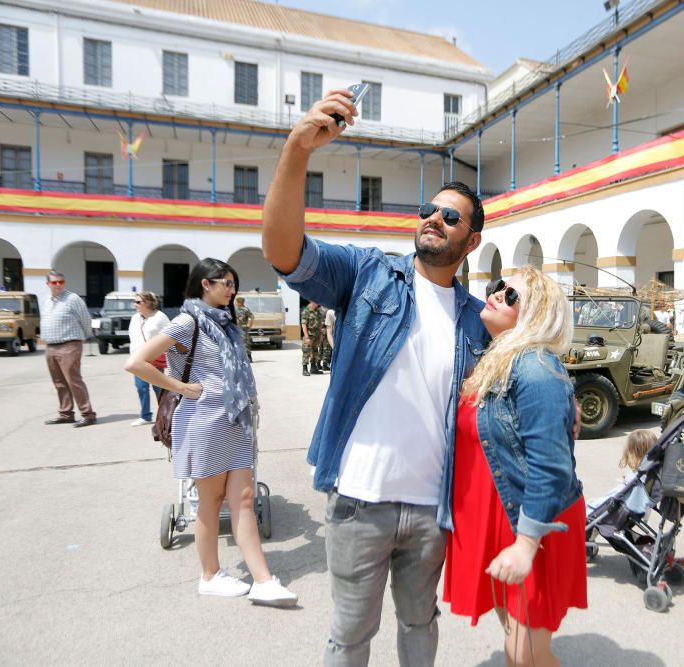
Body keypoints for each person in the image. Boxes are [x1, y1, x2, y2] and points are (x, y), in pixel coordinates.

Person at [261, 87, 487, 666]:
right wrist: (296, 151)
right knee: (350, 634)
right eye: (427, 211)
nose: (433, 219)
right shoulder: (370, 275)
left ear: (473, 239)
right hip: (360, 498)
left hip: (432, 507)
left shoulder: (475, 319)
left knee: (420, 625)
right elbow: (285, 253)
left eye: (450, 215)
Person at [124, 258, 297, 608]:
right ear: (205, 284)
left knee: (244, 500)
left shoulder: (226, 322)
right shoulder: (187, 321)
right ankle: (210, 576)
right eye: (226, 283)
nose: (232, 290)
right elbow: (137, 362)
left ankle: (263, 581)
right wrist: (181, 387)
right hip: (204, 420)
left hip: (235, 419)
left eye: (234, 284)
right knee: (211, 503)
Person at [444, 268, 586, 667]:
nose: (497, 296)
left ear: (534, 315)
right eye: (498, 289)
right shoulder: (497, 359)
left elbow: (551, 466)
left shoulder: (535, 369)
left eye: (512, 296)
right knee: (519, 646)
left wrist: (526, 544)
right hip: (502, 518)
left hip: (532, 524)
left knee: (525, 657)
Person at [41, 270, 97, 427]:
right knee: (58, 382)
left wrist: (84, 337)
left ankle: (88, 414)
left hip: (69, 344)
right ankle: (66, 413)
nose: (58, 285)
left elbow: (85, 319)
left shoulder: (73, 299)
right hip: (51, 345)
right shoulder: (47, 300)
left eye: (61, 282)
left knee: (73, 380)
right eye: (54, 282)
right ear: (48, 284)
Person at [128, 291, 170, 427]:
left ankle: (165, 414)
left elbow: (170, 336)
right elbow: (132, 338)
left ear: (148, 303)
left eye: (138, 302)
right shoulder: (135, 318)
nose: (135, 304)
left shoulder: (160, 317)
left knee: (158, 388)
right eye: (135, 302)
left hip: (154, 358)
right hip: (137, 358)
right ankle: (145, 416)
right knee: (141, 387)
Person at [300, 301, 324, 375]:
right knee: (306, 352)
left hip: (316, 336)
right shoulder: (306, 311)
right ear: (311, 301)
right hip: (309, 336)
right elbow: (304, 325)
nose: (317, 303)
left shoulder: (318, 311)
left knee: (315, 352)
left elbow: (320, 323)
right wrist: (307, 337)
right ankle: (304, 369)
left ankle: (313, 368)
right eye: (316, 301)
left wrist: (321, 335)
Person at [235, 296, 254, 361]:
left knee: (246, 343)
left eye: (237, 302)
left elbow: (252, 317)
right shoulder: (236, 309)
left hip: (243, 328)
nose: (236, 303)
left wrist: (249, 326)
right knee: (238, 343)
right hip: (237, 328)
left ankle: (249, 357)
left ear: (240, 302)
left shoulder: (246, 309)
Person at [321, 307, 335, 372]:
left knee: (324, 349)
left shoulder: (323, 310)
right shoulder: (329, 312)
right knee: (326, 349)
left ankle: (324, 363)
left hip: (325, 331)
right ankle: (324, 364)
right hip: (326, 332)